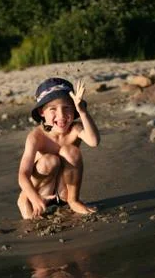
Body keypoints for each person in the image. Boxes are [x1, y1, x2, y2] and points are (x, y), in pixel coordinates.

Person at [17, 77, 100, 219]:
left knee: (71, 151)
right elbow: (22, 175)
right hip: (39, 193)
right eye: (53, 109)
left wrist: (83, 112)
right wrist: (34, 198)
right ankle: (26, 200)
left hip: (63, 192)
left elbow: (94, 141)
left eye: (67, 107)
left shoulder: (75, 129)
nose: (61, 115)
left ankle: (73, 201)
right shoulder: (36, 136)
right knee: (50, 160)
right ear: (42, 112)